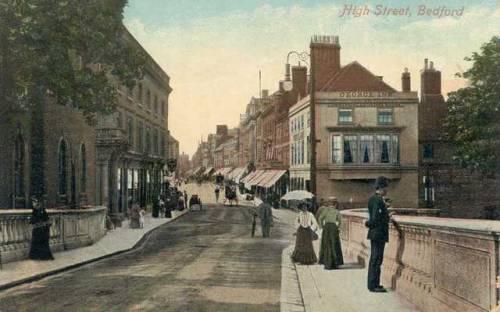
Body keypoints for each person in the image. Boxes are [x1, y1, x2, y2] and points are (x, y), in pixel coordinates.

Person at [366, 176, 392, 293]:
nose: (386, 190)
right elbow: (376, 218)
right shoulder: (377, 199)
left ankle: (374, 283)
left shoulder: (373, 198)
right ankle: (373, 285)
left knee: (375, 259)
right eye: (385, 187)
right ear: (381, 187)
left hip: (375, 234)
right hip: (378, 233)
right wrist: (387, 217)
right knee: (376, 259)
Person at [317, 197, 344, 270]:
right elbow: (341, 222)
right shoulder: (337, 211)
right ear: (335, 204)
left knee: (326, 245)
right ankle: (334, 264)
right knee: (334, 245)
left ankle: (327, 263)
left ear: (330, 203)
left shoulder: (326, 210)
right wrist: (338, 228)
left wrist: (322, 227)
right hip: (333, 228)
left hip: (326, 228)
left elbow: (320, 218)